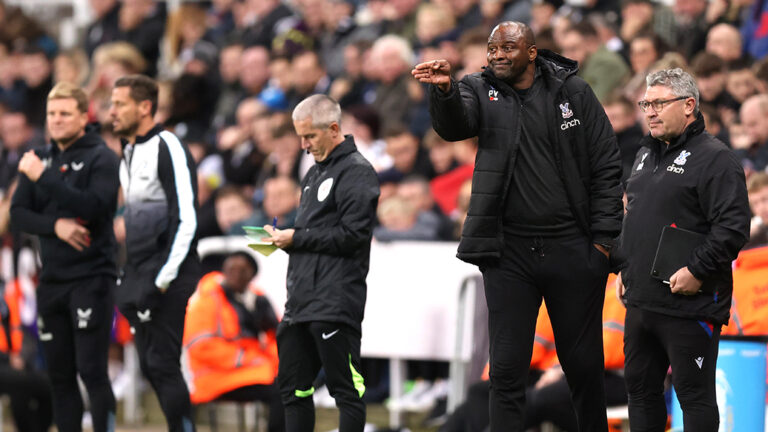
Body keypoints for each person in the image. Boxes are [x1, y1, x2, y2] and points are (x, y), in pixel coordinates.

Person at [412, 21, 623, 431]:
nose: (497, 55)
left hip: (572, 248)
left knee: (582, 368)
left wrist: (601, 243)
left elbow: (607, 163)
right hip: (508, 253)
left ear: (531, 52)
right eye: (492, 48)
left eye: (508, 47)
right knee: (505, 371)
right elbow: (454, 126)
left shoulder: (573, 91)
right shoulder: (476, 88)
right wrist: (444, 91)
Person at [616, 68, 750, 431]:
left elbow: (733, 228)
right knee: (640, 392)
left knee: (693, 394)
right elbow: (636, 215)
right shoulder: (645, 153)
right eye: (646, 103)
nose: (650, 111)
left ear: (689, 104)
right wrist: (625, 267)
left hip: (689, 303)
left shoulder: (716, 159)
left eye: (659, 103)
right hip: (642, 301)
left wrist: (697, 270)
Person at [262, 94, 380, 432]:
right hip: (301, 301)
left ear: (332, 128)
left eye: (309, 136)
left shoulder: (358, 172)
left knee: (346, 390)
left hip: (335, 301)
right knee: (293, 389)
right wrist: (285, 240)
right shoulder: (313, 174)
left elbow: (353, 236)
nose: (303, 145)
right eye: (300, 136)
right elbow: (317, 236)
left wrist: (296, 238)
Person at [10, 81, 120, 432]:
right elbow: (18, 214)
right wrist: (55, 225)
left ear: (82, 116)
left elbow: (97, 206)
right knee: (59, 374)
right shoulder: (38, 158)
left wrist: (44, 178)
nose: (56, 120)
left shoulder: (101, 156)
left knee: (91, 371)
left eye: (64, 113)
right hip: (52, 280)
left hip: (92, 278)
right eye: (51, 113)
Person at [109, 74, 200, 432]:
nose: (112, 111)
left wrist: (162, 278)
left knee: (162, 362)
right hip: (139, 272)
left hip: (166, 272)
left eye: (120, 104)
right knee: (150, 364)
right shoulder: (128, 150)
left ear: (145, 107)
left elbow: (187, 217)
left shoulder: (168, 145)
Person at [184, 251, 285, 432]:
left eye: (243, 270)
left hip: (247, 372)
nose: (236, 274)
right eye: (232, 269)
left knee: (289, 384)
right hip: (215, 376)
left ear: (251, 276)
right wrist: (253, 360)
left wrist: (275, 364)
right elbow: (201, 347)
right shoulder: (208, 299)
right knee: (281, 392)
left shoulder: (255, 300)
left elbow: (277, 339)